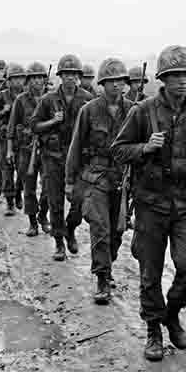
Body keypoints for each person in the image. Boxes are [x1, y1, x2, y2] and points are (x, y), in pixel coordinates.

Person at [112, 45, 186, 360]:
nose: (183, 81)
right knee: (150, 271)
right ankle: (154, 329)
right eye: (175, 76)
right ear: (163, 79)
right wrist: (145, 147)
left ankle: (172, 311)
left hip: (185, 204)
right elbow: (119, 150)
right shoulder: (142, 111)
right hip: (151, 203)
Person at [67, 58, 133, 304]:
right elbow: (75, 148)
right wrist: (69, 182)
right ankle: (102, 278)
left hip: (123, 179)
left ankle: (108, 264)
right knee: (101, 229)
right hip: (96, 178)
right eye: (112, 81)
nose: (117, 85)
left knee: (117, 232)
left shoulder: (134, 110)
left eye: (121, 81)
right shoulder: (90, 110)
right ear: (103, 84)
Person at [30, 54, 92, 261]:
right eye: (66, 74)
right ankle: (59, 242)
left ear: (78, 77)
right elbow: (34, 125)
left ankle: (71, 229)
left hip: (78, 160)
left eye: (74, 74)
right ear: (60, 76)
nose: (70, 78)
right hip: (53, 158)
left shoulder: (87, 99)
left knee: (80, 202)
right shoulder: (48, 100)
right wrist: (52, 122)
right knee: (55, 202)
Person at [8, 62, 48, 236]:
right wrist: (10, 150)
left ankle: (43, 215)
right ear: (28, 81)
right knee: (29, 187)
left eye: (40, 77)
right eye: (34, 78)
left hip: (48, 151)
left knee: (49, 187)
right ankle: (33, 223)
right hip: (26, 149)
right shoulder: (21, 100)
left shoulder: (52, 98)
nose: (37, 81)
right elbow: (11, 127)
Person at [0, 64, 26, 215]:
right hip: (5, 138)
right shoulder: (1, 95)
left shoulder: (27, 96)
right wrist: (3, 111)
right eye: (14, 79)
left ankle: (18, 192)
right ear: (9, 81)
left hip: (23, 139)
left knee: (23, 171)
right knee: (7, 170)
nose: (18, 82)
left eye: (20, 78)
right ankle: (10, 201)